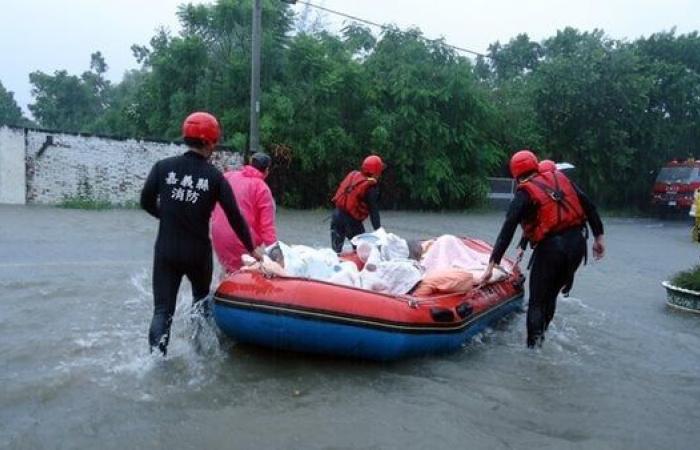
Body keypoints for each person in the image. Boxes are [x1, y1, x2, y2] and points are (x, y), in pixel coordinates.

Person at [140, 111, 263, 356]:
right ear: (209, 142)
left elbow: (145, 201)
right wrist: (252, 249)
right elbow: (235, 217)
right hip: (198, 254)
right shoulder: (215, 177)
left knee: (162, 311)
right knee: (200, 304)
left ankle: (155, 364)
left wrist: (166, 216)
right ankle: (201, 354)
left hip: (166, 250)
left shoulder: (163, 167)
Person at [479, 149, 605, 348]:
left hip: (552, 249)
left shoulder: (525, 192)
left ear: (516, 173)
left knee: (537, 301)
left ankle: (533, 350)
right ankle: (543, 336)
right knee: (551, 295)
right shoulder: (560, 178)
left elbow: (508, 228)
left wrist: (492, 263)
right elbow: (589, 206)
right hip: (577, 246)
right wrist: (599, 238)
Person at [211, 152, 277, 273]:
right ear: (267, 171)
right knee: (247, 273)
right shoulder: (262, 188)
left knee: (228, 270)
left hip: (217, 237)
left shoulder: (228, 176)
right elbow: (267, 229)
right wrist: (277, 257)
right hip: (241, 240)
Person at [330, 155, 384, 253]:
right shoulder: (371, 188)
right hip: (351, 223)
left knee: (335, 252)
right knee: (363, 252)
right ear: (376, 172)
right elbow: (374, 212)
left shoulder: (354, 175)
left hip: (336, 216)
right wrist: (379, 231)